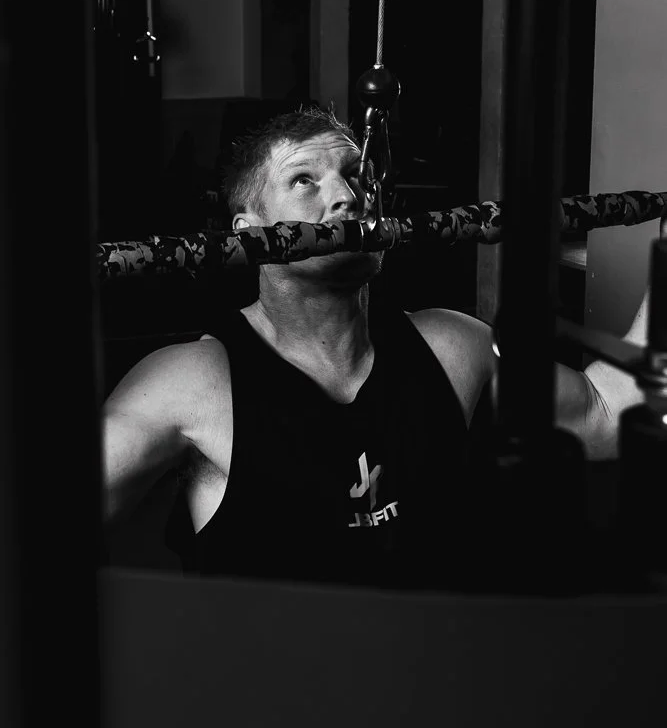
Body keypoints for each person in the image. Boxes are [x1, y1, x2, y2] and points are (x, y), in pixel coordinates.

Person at [103, 107, 647, 589]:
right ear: (249, 232)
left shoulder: (450, 345)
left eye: (356, 178)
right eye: (304, 181)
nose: (345, 197)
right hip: (277, 693)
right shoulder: (191, 383)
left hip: (439, 680)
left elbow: (609, 412)